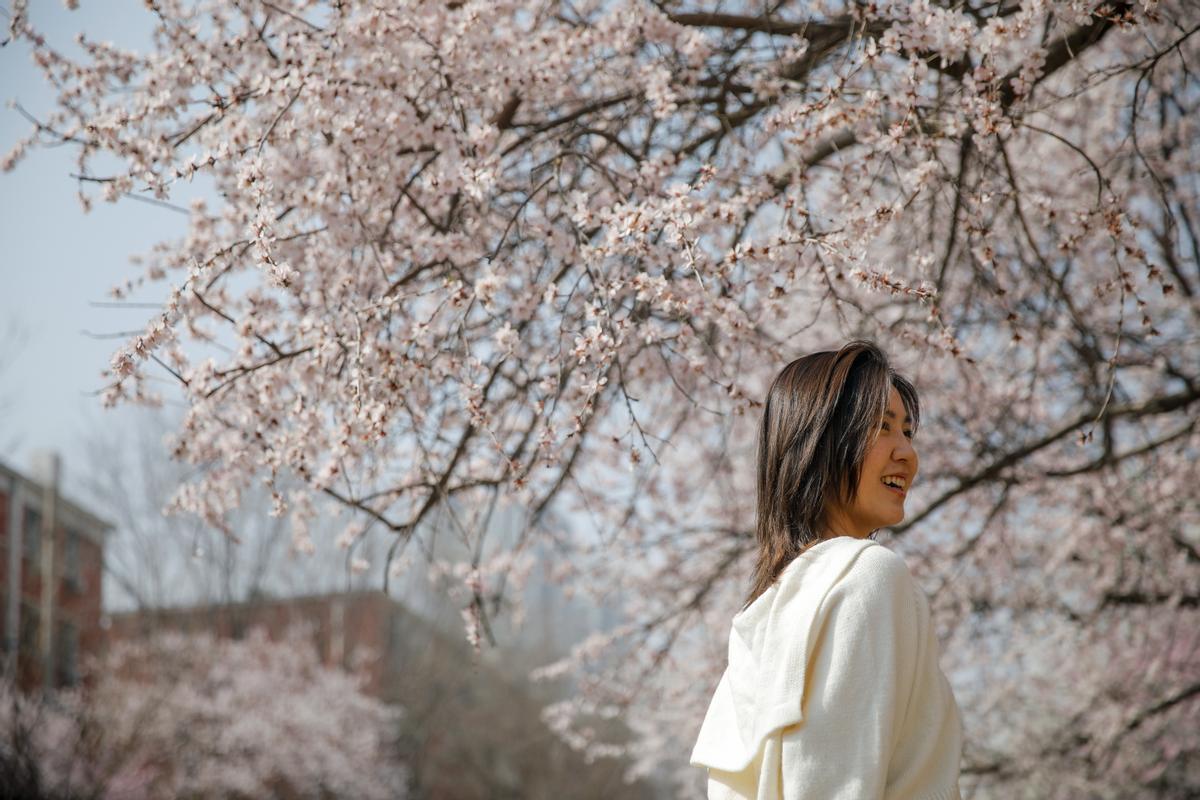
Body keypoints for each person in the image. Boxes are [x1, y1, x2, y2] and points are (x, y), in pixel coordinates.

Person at [689, 340, 964, 799]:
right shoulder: (866, 576)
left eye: (909, 433)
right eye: (882, 427)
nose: (907, 455)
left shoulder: (772, 607)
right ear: (821, 442)